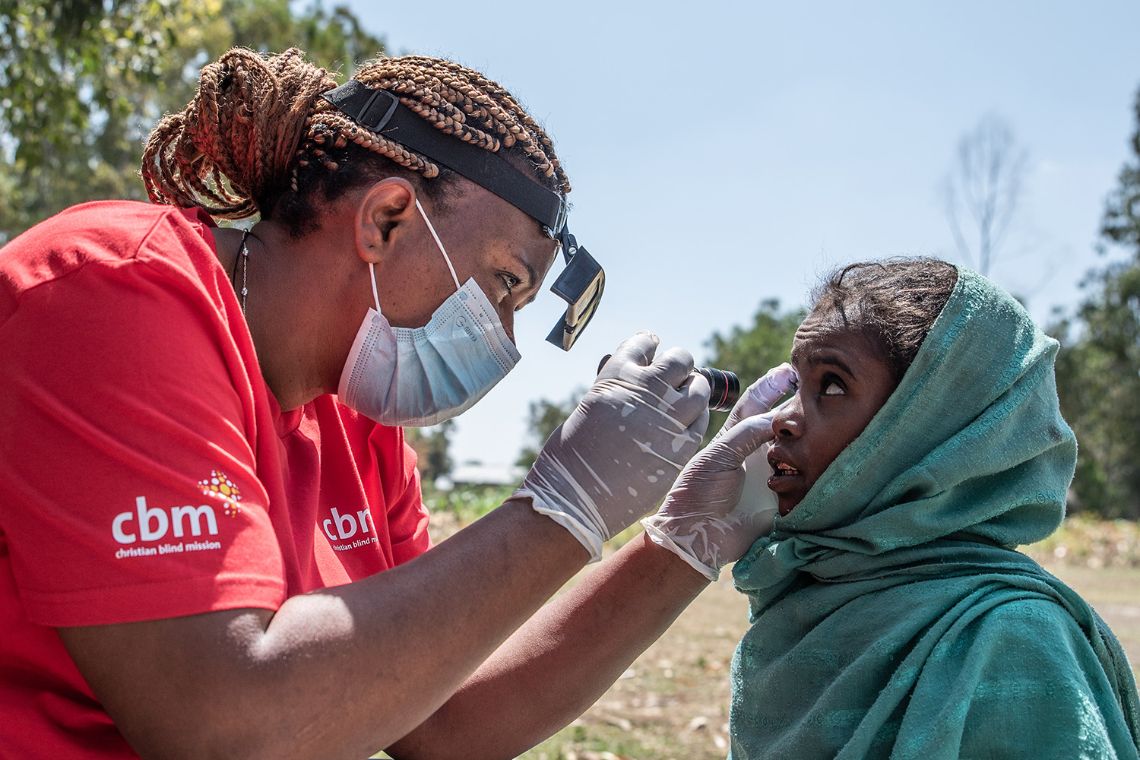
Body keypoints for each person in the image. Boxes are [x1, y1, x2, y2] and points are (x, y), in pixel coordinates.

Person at [0, 48, 794, 758]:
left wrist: (682, 543)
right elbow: (224, 727)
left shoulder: (356, 417)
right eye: (505, 284)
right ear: (386, 220)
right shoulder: (111, 292)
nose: (506, 336)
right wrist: (564, 508)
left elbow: (442, 722)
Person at [728, 258, 1140, 759]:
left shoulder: (1009, 639)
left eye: (831, 385)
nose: (782, 421)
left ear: (926, 430)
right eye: (796, 385)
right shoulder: (799, 600)